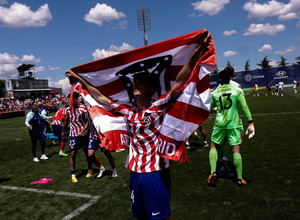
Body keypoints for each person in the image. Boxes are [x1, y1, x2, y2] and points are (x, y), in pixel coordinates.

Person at [65, 32, 211, 220]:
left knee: (160, 217)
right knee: (139, 217)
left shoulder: (159, 106)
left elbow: (180, 82)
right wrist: (80, 79)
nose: (136, 84)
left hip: (156, 172)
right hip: (135, 172)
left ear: (150, 88)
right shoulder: (127, 110)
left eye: (141, 82)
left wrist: (197, 50)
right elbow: (100, 96)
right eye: (135, 81)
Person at [208, 67, 255, 187]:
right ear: (230, 78)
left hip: (219, 124)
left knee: (213, 146)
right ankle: (239, 179)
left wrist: (214, 109)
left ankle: (213, 172)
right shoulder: (236, 90)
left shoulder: (215, 92)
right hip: (233, 124)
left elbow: (210, 109)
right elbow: (244, 108)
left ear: (219, 80)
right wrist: (250, 123)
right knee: (236, 150)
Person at [62, 92, 90, 183]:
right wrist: (63, 131)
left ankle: (90, 169)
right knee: (73, 154)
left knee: (87, 153)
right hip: (73, 135)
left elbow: (87, 122)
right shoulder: (68, 110)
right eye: (69, 99)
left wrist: (82, 131)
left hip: (83, 134)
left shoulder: (83, 109)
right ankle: (73, 175)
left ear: (76, 99)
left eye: (72, 99)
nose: (70, 101)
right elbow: (66, 121)